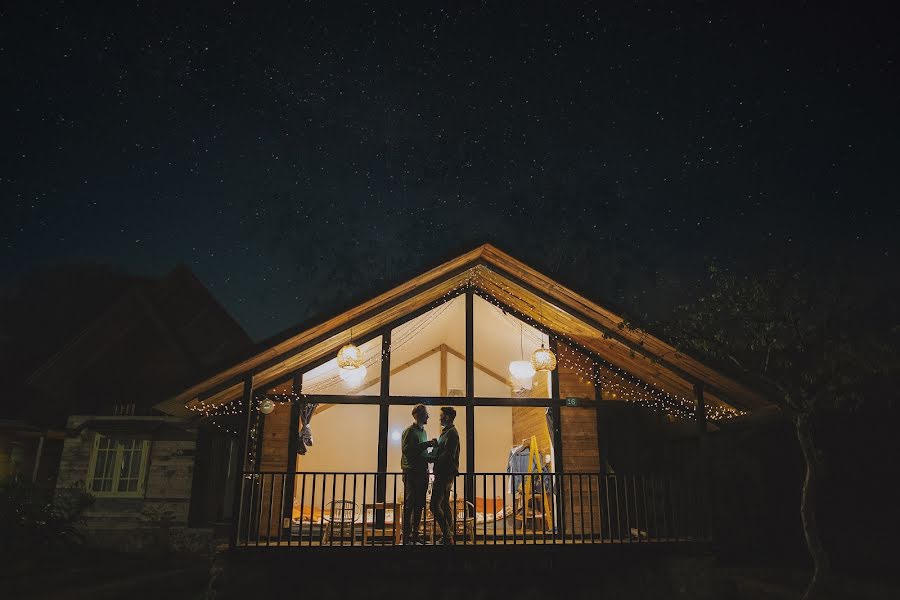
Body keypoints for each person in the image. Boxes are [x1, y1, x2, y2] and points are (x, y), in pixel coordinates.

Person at [401, 404, 434, 545]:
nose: (428, 416)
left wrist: (433, 457)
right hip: (411, 472)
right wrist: (427, 445)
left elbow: (422, 454)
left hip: (422, 472)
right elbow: (407, 451)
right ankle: (406, 536)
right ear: (418, 415)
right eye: (426, 414)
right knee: (409, 504)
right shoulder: (409, 432)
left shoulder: (423, 432)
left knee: (419, 504)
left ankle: (415, 534)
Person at [428, 406, 460, 545]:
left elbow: (448, 455)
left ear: (447, 417)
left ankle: (447, 535)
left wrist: (433, 458)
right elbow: (444, 452)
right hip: (445, 473)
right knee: (445, 505)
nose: (439, 418)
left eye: (441, 415)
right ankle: (448, 537)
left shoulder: (451, 433)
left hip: (444, 473)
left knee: (434, 505)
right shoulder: (446, 433)